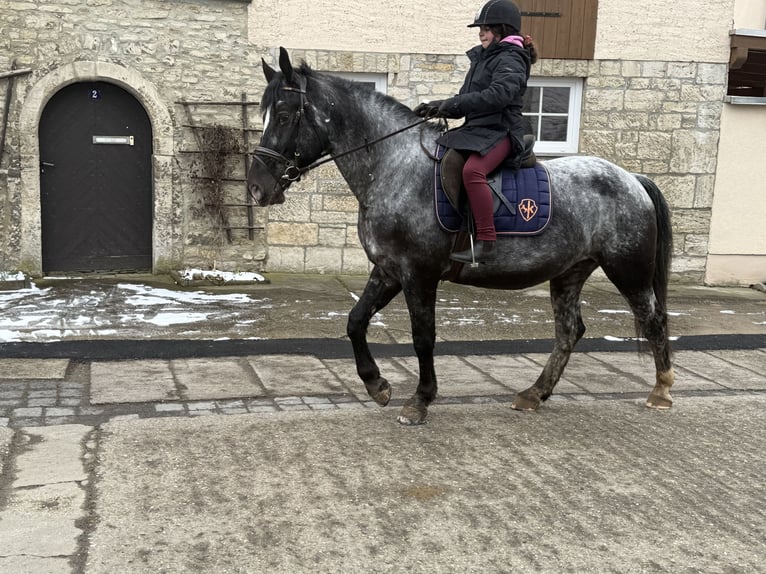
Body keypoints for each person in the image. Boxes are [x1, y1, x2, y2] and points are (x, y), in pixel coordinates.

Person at [414, 0, 537, 264]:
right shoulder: (483, 58)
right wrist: (437, 107)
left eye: (487, 27)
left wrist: (455, 104)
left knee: (473, 171)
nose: (481, 32)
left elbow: (498, 95)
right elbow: (466, 99)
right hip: (478, 130)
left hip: (503, 130)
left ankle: (487, 243)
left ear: (502, 30)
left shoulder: (512, 57)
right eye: (480, 27)